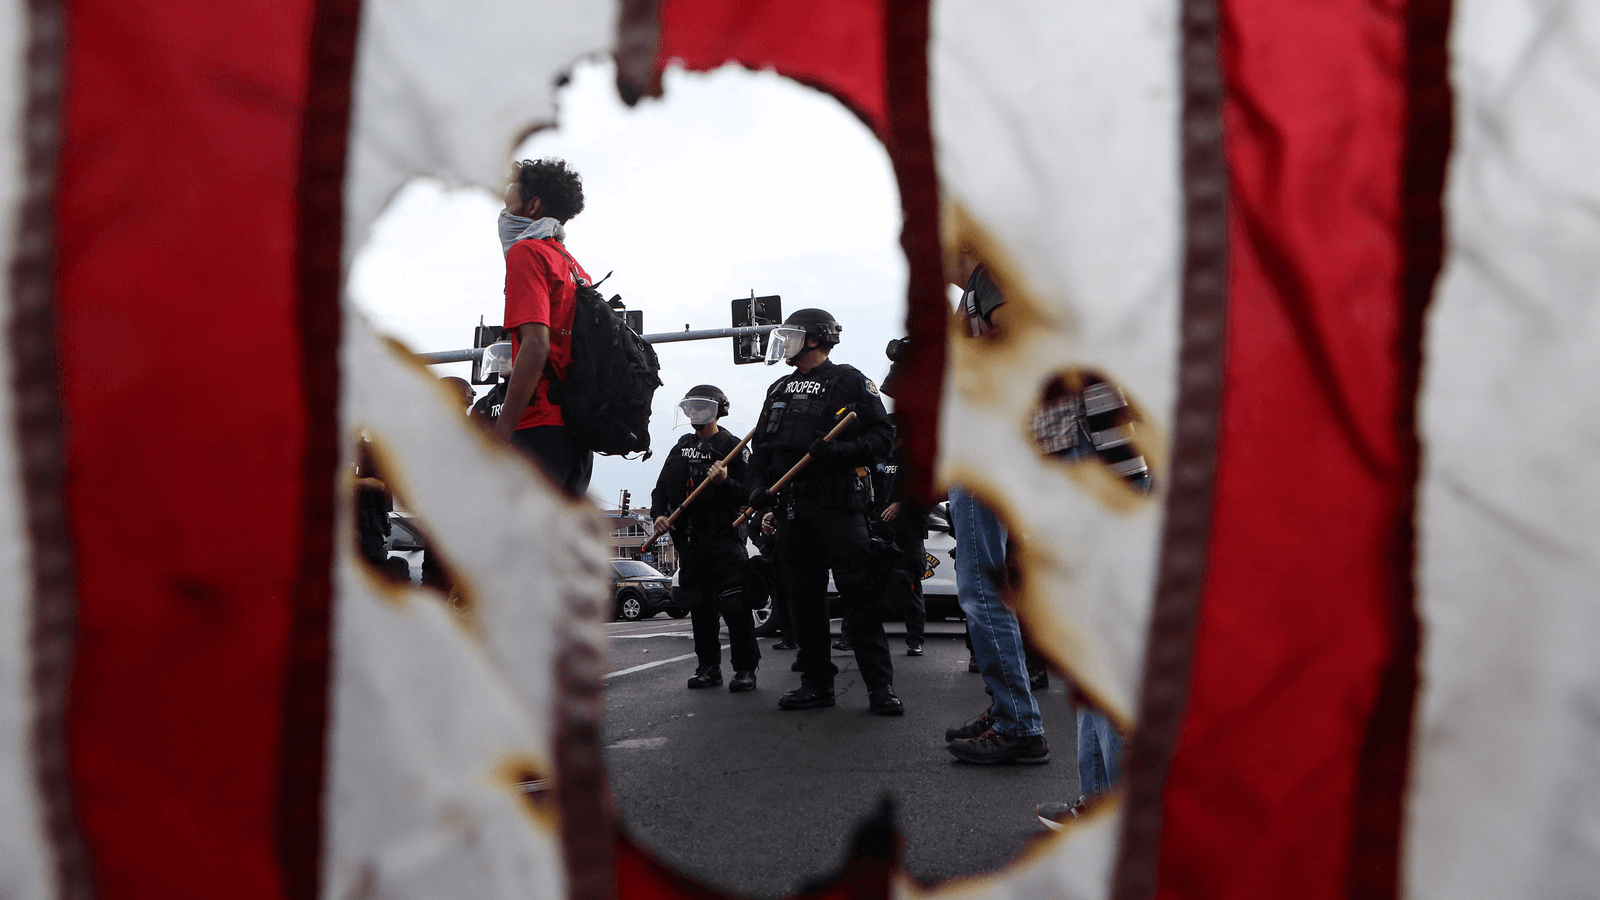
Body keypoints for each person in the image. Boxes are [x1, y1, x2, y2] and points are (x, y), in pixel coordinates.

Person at [746, 308, 902, 715]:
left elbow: (883, 438)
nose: (785, 343)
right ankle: (817, 684)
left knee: (860, 600)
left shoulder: (850, 382)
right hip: (793, 510)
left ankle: (880, 688)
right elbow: (759, 451)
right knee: (805, 602)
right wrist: (757, 489)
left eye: (793, 335)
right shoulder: (778, 389)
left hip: (840, 508)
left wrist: (840, 451)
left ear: (815, 339)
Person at [943, 258, 1050, 765]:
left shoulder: (991, 276)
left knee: (982, 590)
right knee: (987, 588)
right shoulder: (975, 291)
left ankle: (1018, 724)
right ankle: (1009, 707)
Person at [491, 157, 594, 497]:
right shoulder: (571, 263)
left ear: (532, 205)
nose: (503, 210)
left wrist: (502, 429)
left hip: (540, 428)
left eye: (509, 199)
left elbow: (536, 345)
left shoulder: (527, 253)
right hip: (576, 436)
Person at [649, 385, 760, 692]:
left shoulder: (733, 446)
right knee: (700, 606)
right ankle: (708, 667)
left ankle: (745, 670)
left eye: (700, 408)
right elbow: (662, 488)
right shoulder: (681, 446)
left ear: (716, 410)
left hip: (724, 537)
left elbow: (750, 493)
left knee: (735, 605)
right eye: (690, 409)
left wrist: (725, 481)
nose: (694, 414)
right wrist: (658, 514)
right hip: (690, 539)